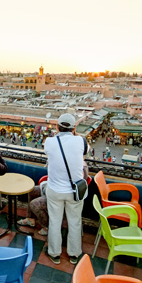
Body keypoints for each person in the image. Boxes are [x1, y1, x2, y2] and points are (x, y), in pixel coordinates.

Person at [44, 113, 89, 265]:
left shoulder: (49, 142)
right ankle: (74, 254)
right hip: (75, 191)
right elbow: (84, 152)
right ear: (74, 128)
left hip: (55, 190)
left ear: (57, 126)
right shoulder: (81, 141)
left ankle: (54, 253)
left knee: (55, 222)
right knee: (75, 222)